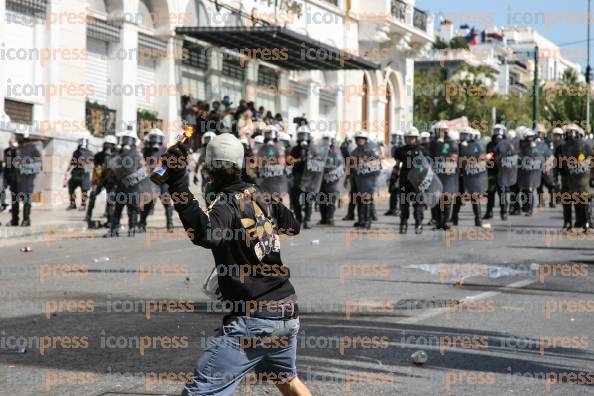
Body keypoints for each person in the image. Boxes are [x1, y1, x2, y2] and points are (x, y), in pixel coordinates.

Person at [159, 133, 312, 396]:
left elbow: (207, 234)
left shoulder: (226, 205)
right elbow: (293, 225)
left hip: (256, 319)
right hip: (286, 310)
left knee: (200, 392)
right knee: (287, 380)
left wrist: (177, 183)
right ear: (240, 166)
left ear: (209, 170)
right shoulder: (260, 195)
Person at [105, 130, 145, 237]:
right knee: (118, 208)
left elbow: (143, 172)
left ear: (133, 141)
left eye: (128, 139)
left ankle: (131, 229)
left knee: (132, 209)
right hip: (121, 185)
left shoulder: (137, 154)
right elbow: (112, 168)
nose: (126, 142)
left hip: (133, 185)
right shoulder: (119, 154)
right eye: (125, 139)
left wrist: (133, 179)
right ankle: (114, 230)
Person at [555, 124, 593, 232]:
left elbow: (591, 160)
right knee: (567, 200)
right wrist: (556, 175)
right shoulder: (561, 148)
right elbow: (557, 163)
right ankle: (568, 223)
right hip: (566, 177)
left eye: (573, 132)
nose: (571, 134)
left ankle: (584, 222)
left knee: (581, 199)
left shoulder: (585, 146)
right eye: (569, 132)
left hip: (580, 177)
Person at [140, 128, 174, 232]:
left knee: (167, 203)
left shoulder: (166, 150)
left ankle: (170, 224)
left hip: (163, 181)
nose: (155, 140)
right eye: (153, 137)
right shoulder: (146, 150)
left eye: (157, 137)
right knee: (147, 203)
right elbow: (142, 163)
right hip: (151, 181)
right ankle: (142, 224)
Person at [452, 127, 488, 227]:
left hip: (472, 175)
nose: (463, 137)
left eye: (465, 135)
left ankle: (478, 219)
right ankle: (454, 218)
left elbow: (480, 158)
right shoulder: (458, 146)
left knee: (474, 197)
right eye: (462, 135)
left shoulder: (476, 145)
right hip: (461, 175)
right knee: (458, 197)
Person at [393, 127, 427, 234]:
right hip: (404, 180)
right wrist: (393, 179)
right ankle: (403, 224)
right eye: (408, 138)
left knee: (418, 204)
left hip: (417, 181)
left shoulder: (421, 150)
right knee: (403, 204)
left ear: (416, 138)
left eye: (412, 138)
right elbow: (397, 165)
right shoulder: (400, 150)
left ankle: (419, 224)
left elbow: (426, 166)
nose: (409, 140)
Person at [9, 131, 43, 226]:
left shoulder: (33, 148)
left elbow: (39, 165)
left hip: (26, 179)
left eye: (16, 137)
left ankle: (26, 220)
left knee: (26, 199)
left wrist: (25, 167)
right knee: (14, 200)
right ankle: (14, 220)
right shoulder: (16, 149)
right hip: (15, 178)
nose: (14, 139)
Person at [429, 122, 459, 230]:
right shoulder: (432, 143)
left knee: (446, 198)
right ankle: (438, 222)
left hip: (448, 174)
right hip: (436, 173)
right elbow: (430, 157)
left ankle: (446, 221)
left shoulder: (451, 142)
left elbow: (454, 156)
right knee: (436, 199)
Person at [348, 130, 380, 229]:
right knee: (358, 200)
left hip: (368, 180)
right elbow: (350, 166)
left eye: (362, 139)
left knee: (366, 200)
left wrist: (365, 165)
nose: (360, 141)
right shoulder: (354, 152)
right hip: (356, 180)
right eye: (358, 139)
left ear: (365, 140)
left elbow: (377, 166)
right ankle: (361, 220)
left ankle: (367, 220)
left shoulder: (371, 151)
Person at [85, 135, 118, 227]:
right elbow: (96, 169)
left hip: (112, 181)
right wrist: (95, 182)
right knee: (93, 195)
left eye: (110, 145)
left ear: (114, 146)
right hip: (101, 179)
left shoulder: (118, 156)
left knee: (111, 200)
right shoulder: (99, 155)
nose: (108, 148)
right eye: (106, 145)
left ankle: (110, 219)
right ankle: (88, 215)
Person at [288, 126, 313, 228]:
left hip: (308, 177)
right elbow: (289, 161)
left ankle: (308, 220)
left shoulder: (312, 148)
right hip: (297, 177)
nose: (303, 137)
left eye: (305, 135)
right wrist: (298, 160)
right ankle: (299, 218)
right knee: (295, 199)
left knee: (308, 199)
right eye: (301, 135)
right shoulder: (295, 149)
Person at [493, 128, 519, 220]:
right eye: (497, 138)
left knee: (504, 193)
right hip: (498, 172)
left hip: (506, 172)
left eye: (500, 138)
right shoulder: (494, 146)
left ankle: (505, 211)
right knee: (502, 193)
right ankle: (504, 211)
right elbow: (493, 156)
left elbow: (515, 158)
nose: (498, 140)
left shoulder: (512, 146)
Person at [320, 132, 344, 225]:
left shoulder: (336, 151)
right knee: (321, 199)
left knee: (331, 200)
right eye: (325, 139)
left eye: (328, 139)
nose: (326, 141)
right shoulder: (320, 150)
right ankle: (323, 218)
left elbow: (340, 165)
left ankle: (330, 218)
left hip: (332, 180)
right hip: (321, 179)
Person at [65, 137, 94, 210]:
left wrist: (87, 165)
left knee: (84, 190)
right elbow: (72, 162)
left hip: (84, 174)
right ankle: (73, 204)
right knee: (71, 188)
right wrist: (68, 170)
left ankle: (83, 204)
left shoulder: (90, 153)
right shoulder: (76, 152)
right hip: (76, 173)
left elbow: (92, 164)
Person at [484, 124, 506, 219]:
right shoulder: (490, 144)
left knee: (502, 192)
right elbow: (489, 154)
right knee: (490, 192)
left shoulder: (506, 144)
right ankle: (489, 212)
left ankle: (503, 212)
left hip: (502, 172)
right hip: (492, 171)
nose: (498, 137)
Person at [385, 131, 404, 216]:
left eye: (397, 137)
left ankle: (400, 209)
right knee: (392, 189)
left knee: (400, 190)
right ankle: (392, 208)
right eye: (394, 137)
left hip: (400, 170)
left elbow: (399, 161)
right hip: (392, 168)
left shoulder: (402, 149)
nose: (395, 139)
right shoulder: (392, 147)